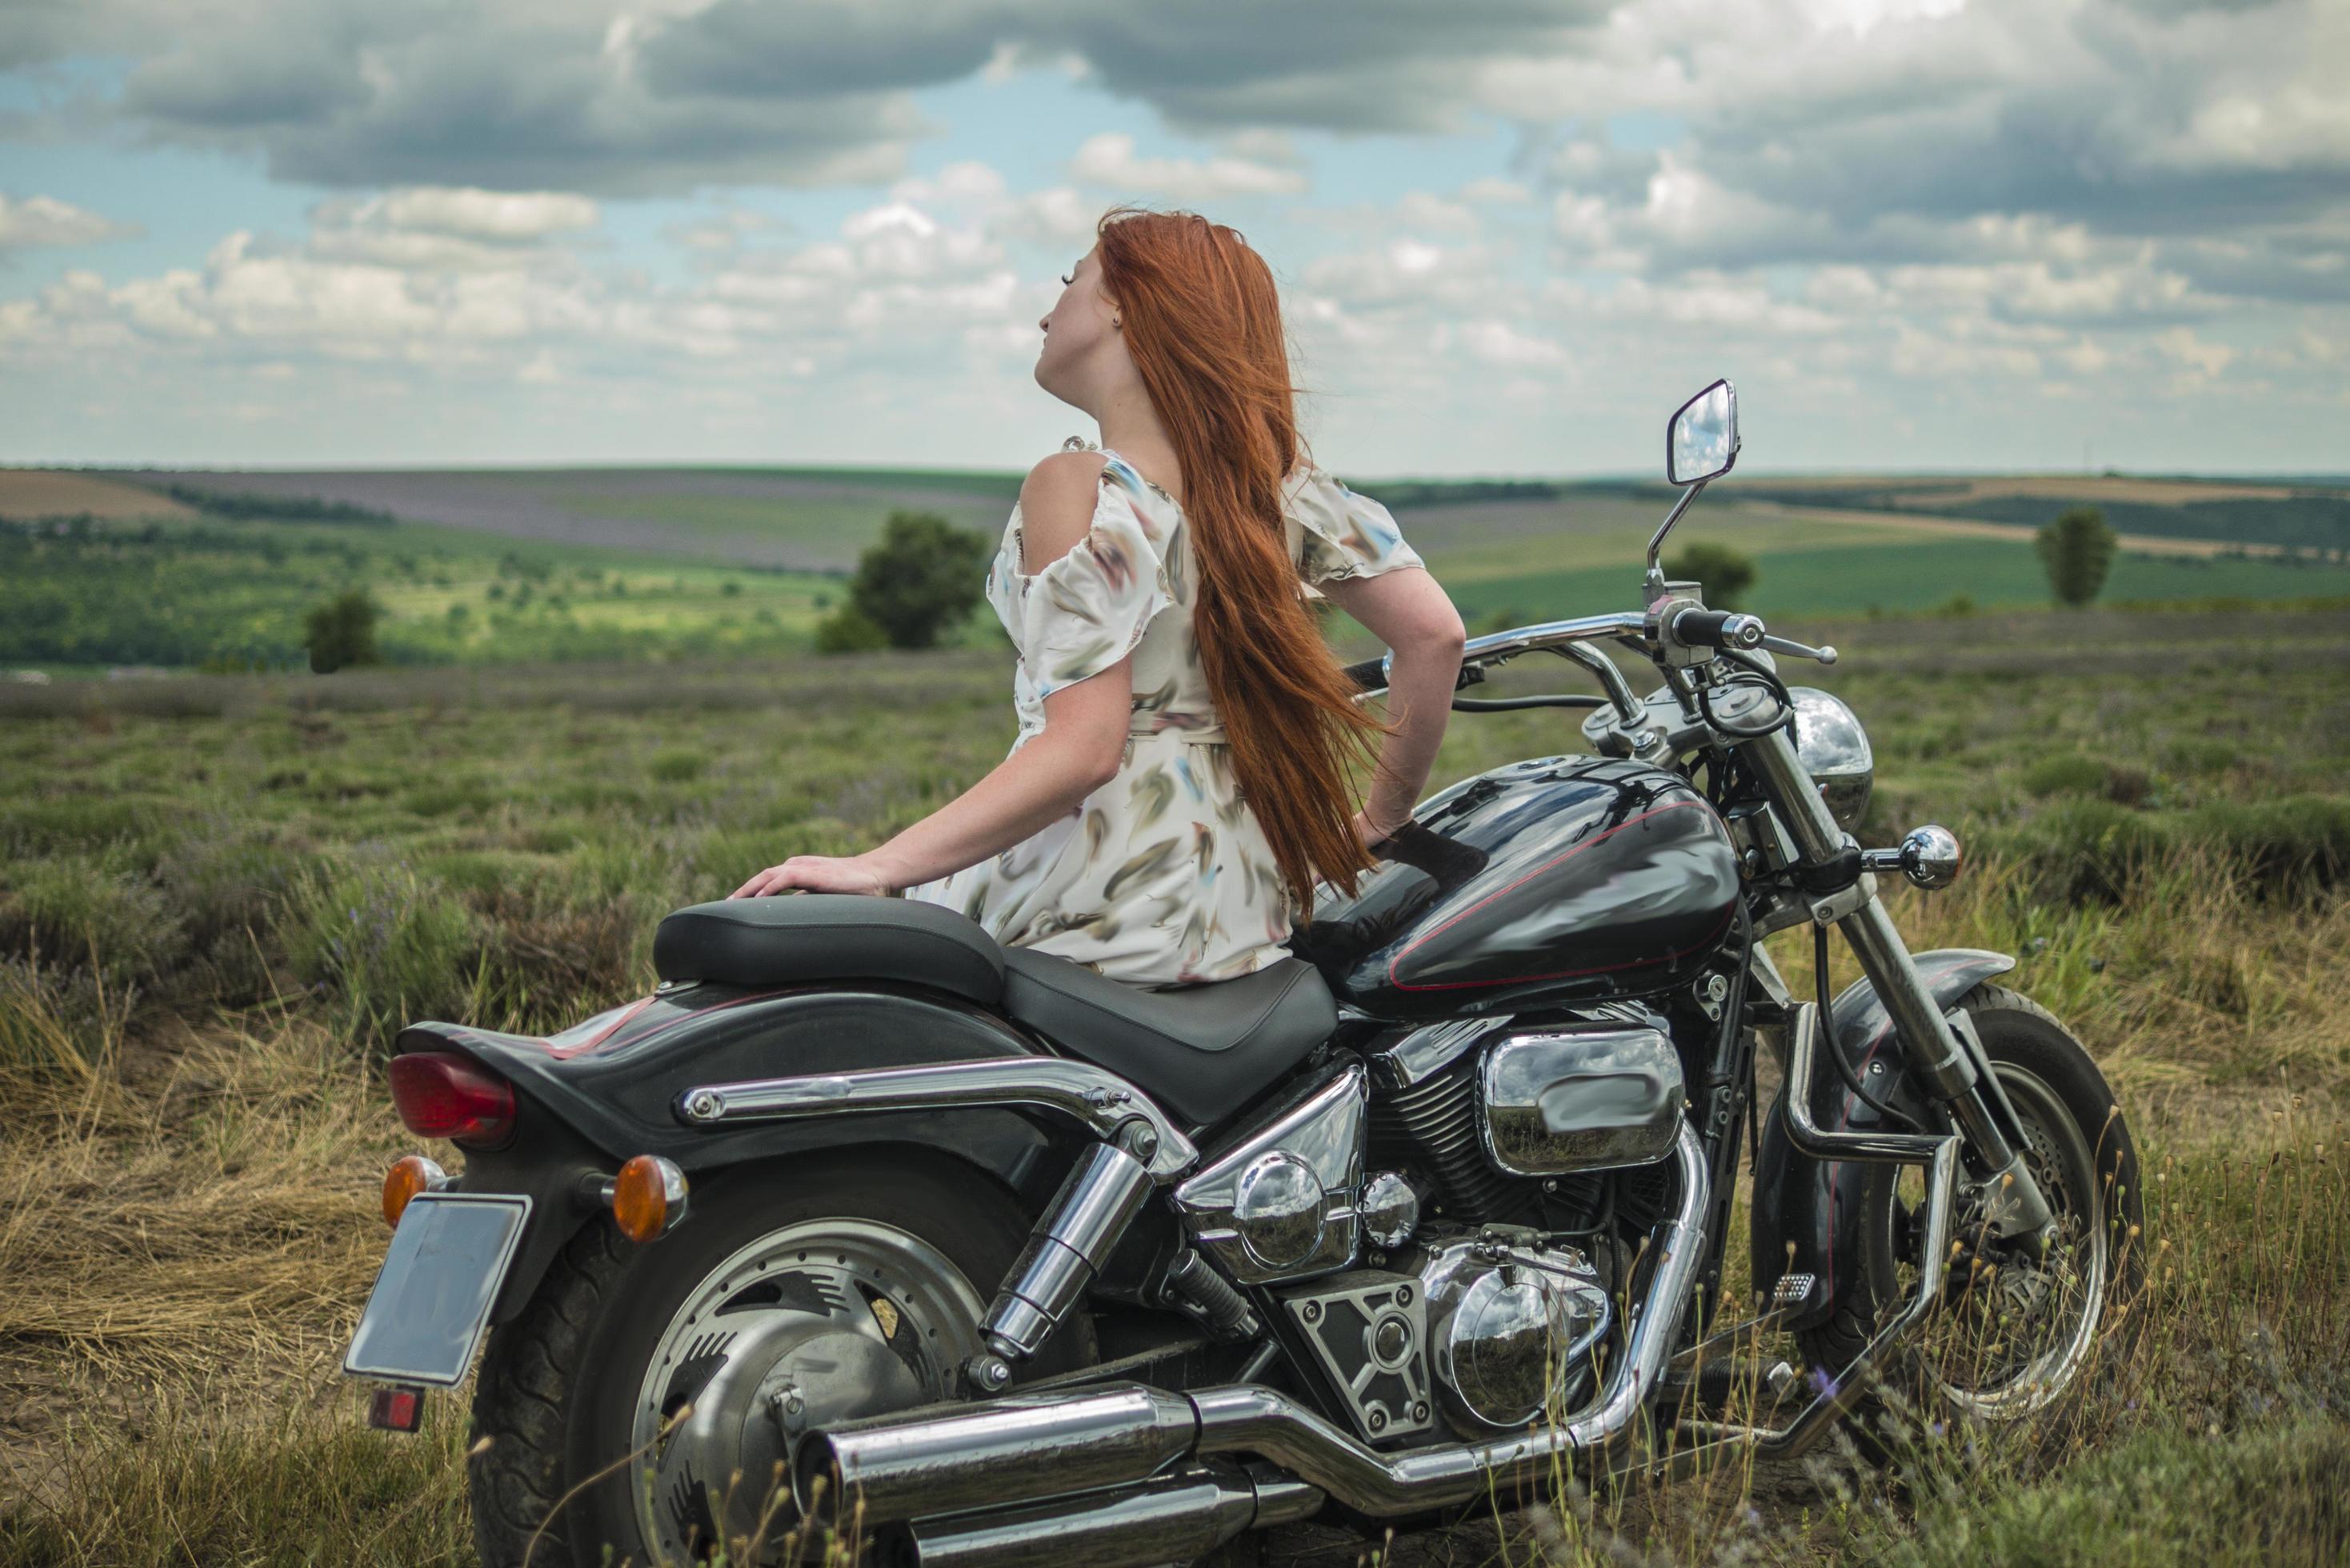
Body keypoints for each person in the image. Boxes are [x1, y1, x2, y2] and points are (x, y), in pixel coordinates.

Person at [731, 206, 1465, 986]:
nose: (1049, 311)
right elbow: (1435, 637)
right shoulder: (1286, 496)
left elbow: (1084, 748)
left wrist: (880, 866)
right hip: (1245, 898)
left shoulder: (1082, 486)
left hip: (1100, 893)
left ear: (1124, 305)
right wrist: (1383, 819)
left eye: (1070, 281)